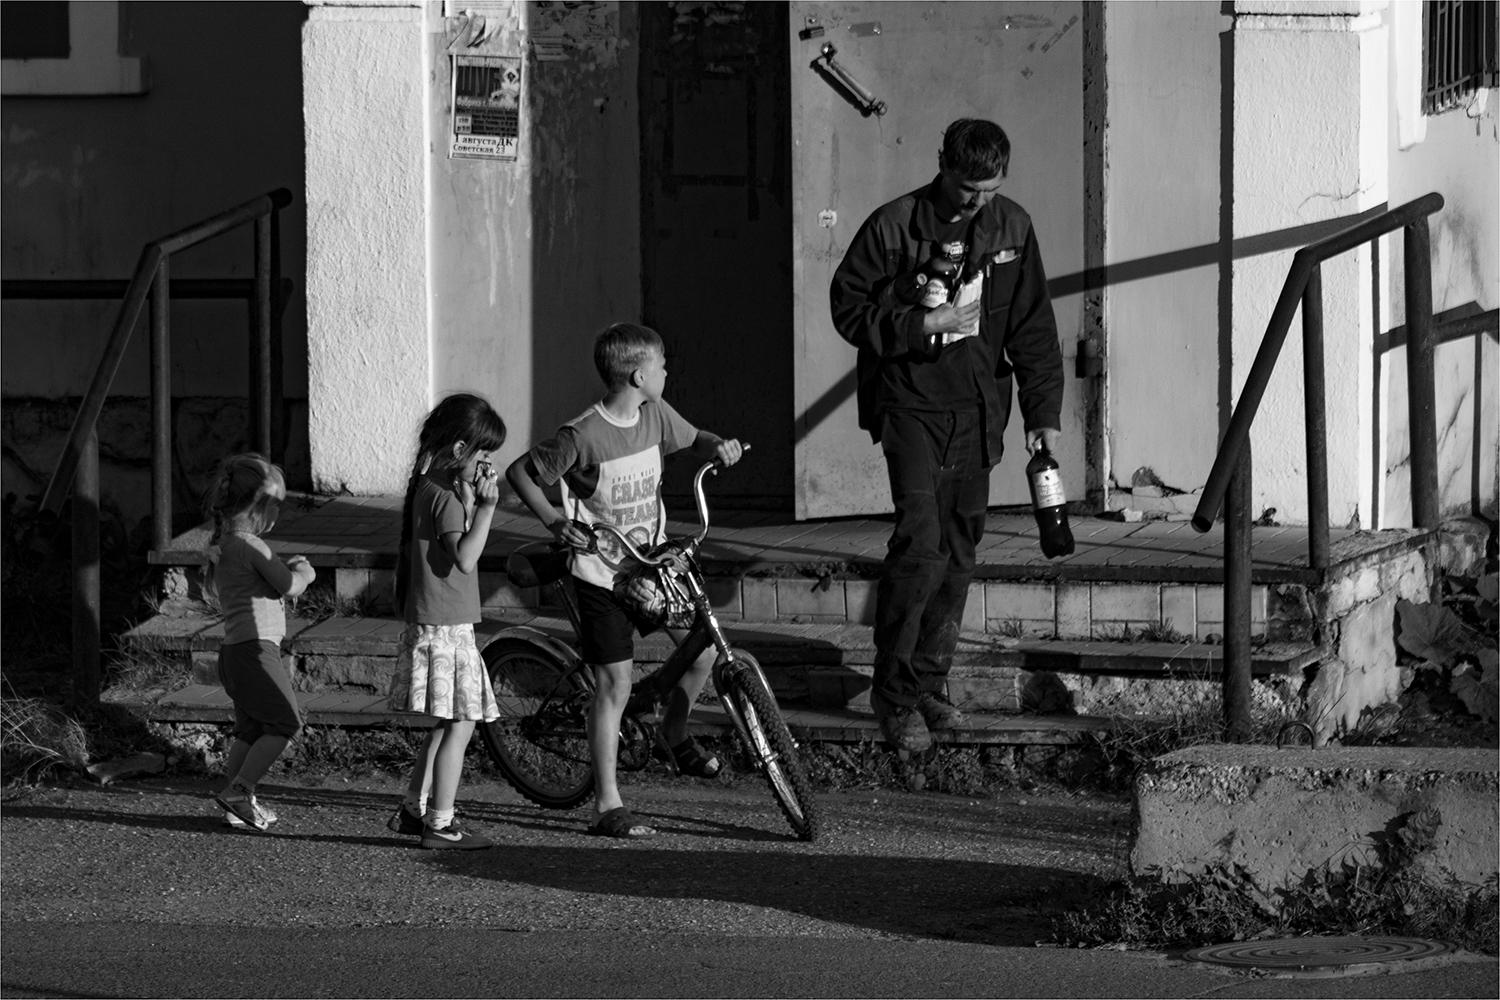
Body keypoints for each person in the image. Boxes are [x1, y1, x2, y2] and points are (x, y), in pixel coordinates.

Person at [829, 118, 1064, 753]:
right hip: (908, 405)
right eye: (967, 189)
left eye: (989, 190)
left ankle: (931, 684)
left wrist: (1043, 414)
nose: (977, 202)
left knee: (959, 552)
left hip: (981, 410)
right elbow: (847, 306)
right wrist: (916, 322)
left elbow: (1033, 326)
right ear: (942, 166)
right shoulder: (894, 224)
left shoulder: (1011, 225)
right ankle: (895, 697)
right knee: (922, 544)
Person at [507, 323, 744, 839]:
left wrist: (718, 448)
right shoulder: (583, 435)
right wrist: (553, 521)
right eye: (662, 365)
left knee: (701, 651)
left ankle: (672, 733)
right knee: (615, 684)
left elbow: (696, 437)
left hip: (651, 564)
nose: (667, 372)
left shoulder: (654, 413)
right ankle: (607, 803)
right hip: (600, 575)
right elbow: (521, 472)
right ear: (639, 374)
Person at [385, 392, 508, 850]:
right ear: (460, 451)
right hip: (447, 627)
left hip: (435, 621)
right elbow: (466, 558)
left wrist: (471, 499)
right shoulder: (446, 499)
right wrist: (488, 510)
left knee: (447, 723)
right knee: (461, 724)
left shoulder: (430, 487)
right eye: (484, 454)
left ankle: (414, 810)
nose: (488, 464)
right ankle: (441, 824)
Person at [203, 453, 316, 832]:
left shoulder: (224, 545)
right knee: (286, 724)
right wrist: (305, 570)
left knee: (251, 731)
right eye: (276, 507)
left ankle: (236, 802)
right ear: (259, 507)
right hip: (256, 652)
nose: (277, 516)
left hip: (234, 653)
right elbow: (289, 585)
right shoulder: (251, 545)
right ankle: (241, 791)